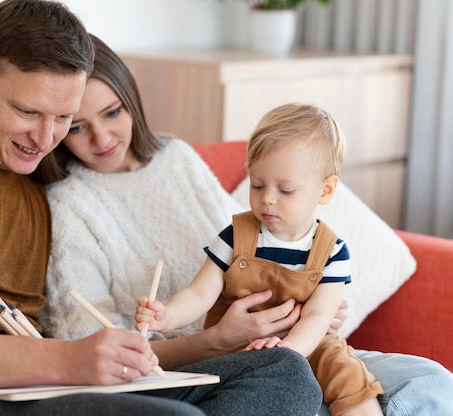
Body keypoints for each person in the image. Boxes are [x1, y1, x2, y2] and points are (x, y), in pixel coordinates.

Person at [0, 1, 298, 415]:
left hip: (40, 389)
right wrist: (68, 361)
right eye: (28, 112)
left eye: (63, 119)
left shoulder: (43, 178)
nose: (44, 137)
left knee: (284, 371)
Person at [38, 34, 453, 416]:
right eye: (77, 126)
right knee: (304, 390)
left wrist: (315, 308)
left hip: (293, 342)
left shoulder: (175, 157)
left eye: (113, 112)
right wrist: (210, 337)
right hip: (205, 367)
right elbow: (93, 345)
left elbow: (259, 241)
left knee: (432, 382)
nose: (103, 137)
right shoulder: (67, 203)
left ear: (131, 100)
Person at [134, 103, 384, 416]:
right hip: (239, 346)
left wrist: (289, 351)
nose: (267, 198)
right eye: (257, 185)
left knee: (344, 366)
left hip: (303, 343)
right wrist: (167, 316)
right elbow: (200, 293)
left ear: (326, 190)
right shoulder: (236, 236)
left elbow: (318, 317)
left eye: (286, 189)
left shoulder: (333, 252)